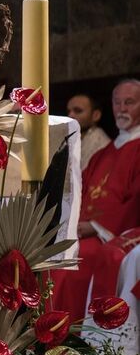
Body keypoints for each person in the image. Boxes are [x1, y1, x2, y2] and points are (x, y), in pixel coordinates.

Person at [51, 79, 140, 320]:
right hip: (84, 230)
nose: (121, 109)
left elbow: (135, 200)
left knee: (71, 264)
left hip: (111, 233)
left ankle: (71, 335)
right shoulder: (104, 153)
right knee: (51, 255)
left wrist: (96, 226)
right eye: (117, 102)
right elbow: (80, 189)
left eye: (129, 103)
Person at [67, 93, 111, 169]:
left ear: (96, 115)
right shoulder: (75, 139)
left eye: (78, 111)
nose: (70, 115)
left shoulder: (101, 144)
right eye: (69, 111)